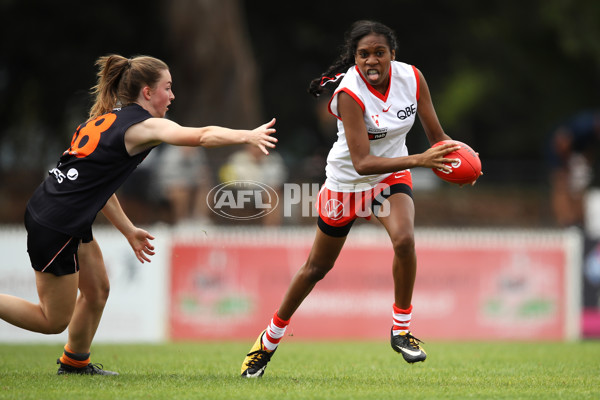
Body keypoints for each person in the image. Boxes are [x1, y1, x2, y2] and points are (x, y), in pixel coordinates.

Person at [0, 54, 277, 375]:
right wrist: (247, 135)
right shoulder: (143, 126)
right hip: (58, 221)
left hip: (59, 211)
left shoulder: (108, 119)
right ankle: (73, 361)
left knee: (97, 289)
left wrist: (129, 230)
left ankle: (75, 363)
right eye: (167, 88)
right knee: (52, 320)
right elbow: (200, 136)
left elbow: (97, 189)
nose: (172, 96)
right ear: (147, 92)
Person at [241, 20, 472, 378]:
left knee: (405, 239)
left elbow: (438, 137)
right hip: (347, 183)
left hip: (390, 178)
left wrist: (461, 163)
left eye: (379, 52)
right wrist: (420, 160)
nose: (371, 61)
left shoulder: (412, 78)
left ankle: (401, 330)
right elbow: (362, 163)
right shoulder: (349, 93)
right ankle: (267, 342)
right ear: (355, 58)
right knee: (316, 269)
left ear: (392, 55)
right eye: (363, 54)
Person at [547, 110, 600, 228]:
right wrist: (566, 165)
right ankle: (565, 220)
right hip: (559, 154)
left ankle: (579, 219)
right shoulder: (584, 125)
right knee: (561, 185)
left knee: (579, 185)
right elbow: (561, 142)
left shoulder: (592, 132)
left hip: (573, 156)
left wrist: (584, 164)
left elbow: (589, 150)